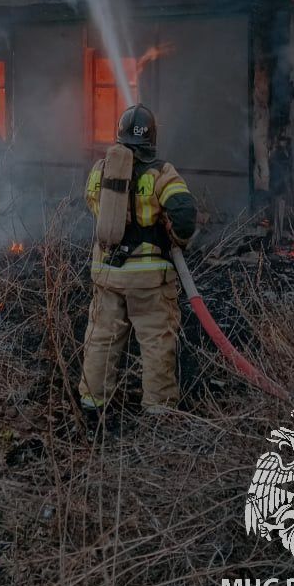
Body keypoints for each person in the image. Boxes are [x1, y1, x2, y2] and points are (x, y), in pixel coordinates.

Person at [79, 103, 197, 413]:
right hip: (148, 279)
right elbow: (185, 214)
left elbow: (92, 204)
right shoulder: (162, 172)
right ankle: (158, 410)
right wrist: (177, 238)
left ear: (119, 135)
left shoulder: (99, 169)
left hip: (107, 272)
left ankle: (92, 403)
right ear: (152, 138)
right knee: (157, 341)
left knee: (101, 337)